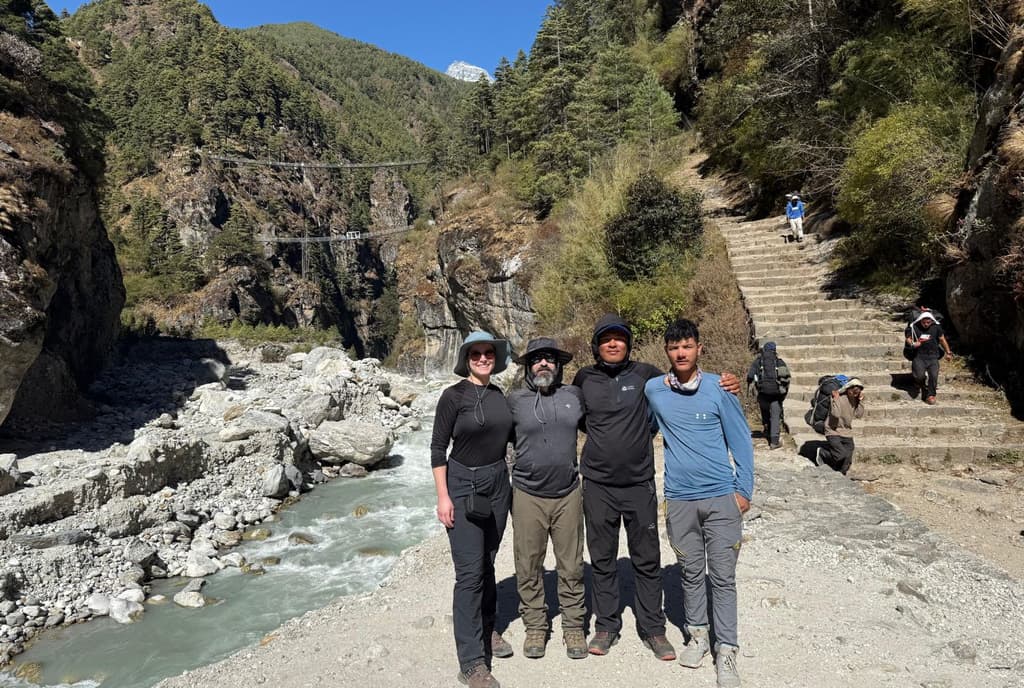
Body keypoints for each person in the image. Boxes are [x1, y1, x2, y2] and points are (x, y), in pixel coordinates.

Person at [572, 314, 740, 660]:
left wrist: (728, 383)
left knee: (647, 558)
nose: (613, 344)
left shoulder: (648, 376)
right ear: (596, 345)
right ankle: (606, 625)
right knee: (602, 558)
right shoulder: (583, 378)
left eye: (620, 338)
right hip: (598, 483)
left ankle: (653, 628)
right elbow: (579, 419)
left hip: (639, 483)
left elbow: (682, 390)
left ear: (628, 343)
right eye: (606, 339)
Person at [645, 318, 754, 688]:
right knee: (690, 572)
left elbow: (741, 441)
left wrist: (744, 491)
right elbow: (643, 426)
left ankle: (727, 650)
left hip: (721, 497)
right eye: (674, 347)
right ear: (666, 351)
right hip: (679, 499)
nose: (681, 353)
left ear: (699, 349)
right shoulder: (654, 390)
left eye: (687, 346)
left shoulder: (720, 388)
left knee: (722, 577)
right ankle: (698, 636)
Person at [430, 331, 515, 688]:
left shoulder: (499, 396)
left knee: (488, 562)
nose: (483, 358)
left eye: (488, 353)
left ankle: (487, 627)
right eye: (476, 353)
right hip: (463, 483)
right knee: (469, 573)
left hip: (498, 483)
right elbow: (438, 448)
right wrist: (443, 496)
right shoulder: (453, 396)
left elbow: (514, 438)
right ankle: (471, 663)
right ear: (466, 359)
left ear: (496, 358)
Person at [507, 338, 588, 660]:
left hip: (568, 493)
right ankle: (536, 626)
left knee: (572, 565)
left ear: (559, 365)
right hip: (527, 494)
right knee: (528, 565)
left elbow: (604, 423)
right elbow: (495, 439)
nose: (544, 364)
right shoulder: (514, 401)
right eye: (537, 359)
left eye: (550, 359)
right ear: (528, 366)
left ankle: (573, 626)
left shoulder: (574, 396)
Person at [815, 377, 865, 475]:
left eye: (857, 392)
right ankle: (823, 453)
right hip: (832, 430)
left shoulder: (855, 399)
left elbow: (859, 415)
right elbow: (836, 414)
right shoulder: (839, 397)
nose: (855, 394)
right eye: (853, 392)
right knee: (840, 455)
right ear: (848, 389)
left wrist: (860, 401)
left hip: (846, 431)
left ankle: (841, 474)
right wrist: (836, 399)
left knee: (848, 458)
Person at [746, 341, 790, 449]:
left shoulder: (758, 361)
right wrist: (783, 393)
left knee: (765, 410)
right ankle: (774, 442)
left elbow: (750, 375)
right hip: (776, 394)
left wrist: (751, 385)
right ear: (775, 350)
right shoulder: (779, 361)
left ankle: (766, 429)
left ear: (764, 350)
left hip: (763, 392)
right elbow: (786, 378)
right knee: (775, 416)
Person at [905, 311, 952, 405]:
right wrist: (913, 344)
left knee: (934, 376)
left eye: (928, 322)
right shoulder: (914, 327)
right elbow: (908, 338)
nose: (926, 324)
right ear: (920, 321)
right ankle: (919, 382)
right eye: (924, 322)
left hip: (933, 356)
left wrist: (948, 352)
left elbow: (942, 339)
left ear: (931, 321)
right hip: (919, 355)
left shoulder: (936, 327)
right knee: (919, 376)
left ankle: (931, 395)